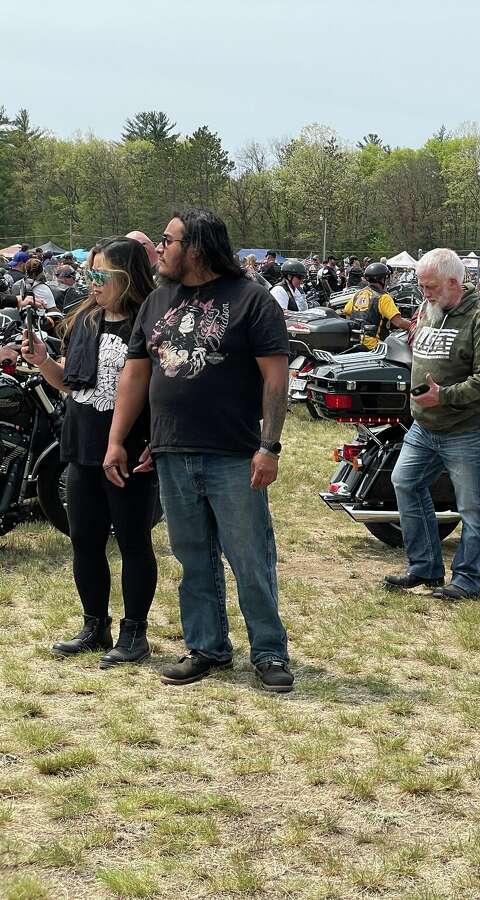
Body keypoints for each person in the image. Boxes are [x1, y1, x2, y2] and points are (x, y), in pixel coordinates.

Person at [104, 208, 294, 692]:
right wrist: (118, 440)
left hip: (233, 452)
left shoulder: (251, 300)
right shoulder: (157, 302)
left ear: (197, 248)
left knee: (249, 557)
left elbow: (276, 379)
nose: (159, 250)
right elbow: (136, 374)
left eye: (167, 241)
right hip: (171, 453)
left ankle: (269, 652)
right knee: (193, 558)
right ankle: (207, 647)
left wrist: (269, 446)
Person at [21, 238, 158, 667]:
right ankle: (94, 624)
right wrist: (44, 361)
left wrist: (157, 440)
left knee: (134, 541)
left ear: (128, 276)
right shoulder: (84, 320)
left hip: (132, 450)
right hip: (80, 444)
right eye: (89, 274)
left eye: (101, 276)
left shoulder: (150, 324)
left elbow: (165, 391)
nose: (92, 284)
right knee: (85, 540)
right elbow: (73, 383)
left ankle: (134, 632)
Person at [386, 249, 480, 602]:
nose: (424, 292)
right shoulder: (428, 311)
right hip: (425, 428)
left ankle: (467, 581)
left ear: (454, 282)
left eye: (430, 286)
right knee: (404, 482)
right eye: (422, 286)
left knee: (473, 508)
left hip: (467, 429)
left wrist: (445, 396)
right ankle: (424, 567)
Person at [341, 262, 411, 349]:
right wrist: (415, 326)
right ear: (382, 279)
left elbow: (347, 310)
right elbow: (398, 322)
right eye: (386, 278)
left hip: (356, 341)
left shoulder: (359, 294)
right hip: (374, 346)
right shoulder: (383, 297)